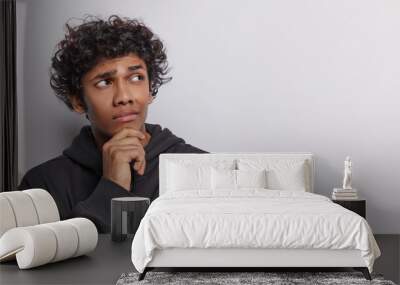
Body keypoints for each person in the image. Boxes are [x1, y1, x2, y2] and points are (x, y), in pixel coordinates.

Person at [18, 15, 207, 233]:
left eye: (136, 78)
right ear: (78, 101)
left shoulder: (201, 169)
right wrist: (112, 188)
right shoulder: (42, 185)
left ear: (150, 88)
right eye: (105, 82)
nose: (124, 97)